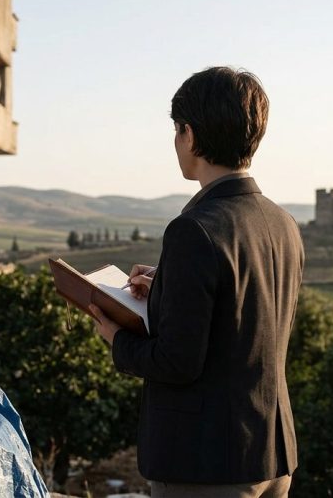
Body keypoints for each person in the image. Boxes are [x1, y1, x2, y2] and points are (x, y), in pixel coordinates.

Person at [88, 66, 303, 497]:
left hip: (206, 463)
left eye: (176, 130)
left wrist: (116, 339)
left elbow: (176, 362)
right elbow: (243, 321)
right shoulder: (283, 223)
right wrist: (168, 284)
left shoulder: (194, 230)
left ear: (189, 134)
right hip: (272, 453)